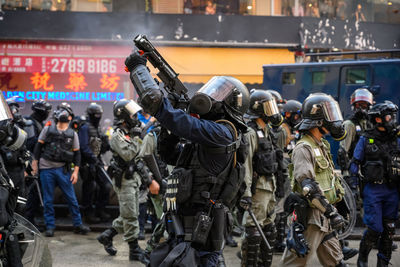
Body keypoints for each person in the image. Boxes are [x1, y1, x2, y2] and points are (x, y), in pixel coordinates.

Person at [124, 51, 249, 266]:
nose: (210, 97)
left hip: (201, 233)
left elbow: (174, 118)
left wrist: (139, 69)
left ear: (230, 106)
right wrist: (171, 121)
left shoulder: (223, 133)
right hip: (185, 229)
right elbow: (171, 155)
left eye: (219, 94)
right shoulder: (209, 135)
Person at [279, 93, 347, 267]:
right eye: (329, 115)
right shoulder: (304, 147)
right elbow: (307, 186)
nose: (334, 120)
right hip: (311, 217)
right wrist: (331, 212)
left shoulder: (320, 144)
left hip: (325, 215)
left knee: (336, 261)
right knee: (294, 263)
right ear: (319, 120)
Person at [96, 99, 159, 265]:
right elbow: (130, 154)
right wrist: (138, 137)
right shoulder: (118, 135)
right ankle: (134, 250)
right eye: (132, 113)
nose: (136, 116)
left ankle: (107, 235)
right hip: (124, 180)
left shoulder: (130, 132)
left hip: (134, 178)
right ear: (123, 115)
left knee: (130, 213)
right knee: (130, 215)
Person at [350, 101, 400, 267]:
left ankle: (383, 263)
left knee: (389, 230)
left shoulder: (396, 139)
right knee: (375, 228)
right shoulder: (366, 139)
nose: (393, 119)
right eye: (389, 116)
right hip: (374, 190)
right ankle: (362, 258)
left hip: (392, 190)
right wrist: (353, 187)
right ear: (378, 120)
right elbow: (354, 164)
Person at [240, 89, 286, 267]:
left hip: (270, 187)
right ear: (259, 109)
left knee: (269, 231)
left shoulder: (266, 131)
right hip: (258, 189)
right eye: (268, 107)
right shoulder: (250, 133)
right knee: (253, 233)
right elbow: (246, 166)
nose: (272, 111)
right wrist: (246, 194)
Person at [32, 102, 90, 237]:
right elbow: (38, 147)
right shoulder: (48, 129)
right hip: (47, 169)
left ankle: (77, 224)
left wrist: (75, 172)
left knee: (72, 199)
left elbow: (77, 154)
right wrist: (35, 164)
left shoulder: (72, 134)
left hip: (63, 170)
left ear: (70, 117)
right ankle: (50, 226)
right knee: (47, 200)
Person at [78, 102, 111, 223]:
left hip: (97, 161)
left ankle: (100, 209)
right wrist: (92, 158)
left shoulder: (97, 128)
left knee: (106, 185)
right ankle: (87, 213)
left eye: (99, 114)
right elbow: (83, 146)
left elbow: (100, 147)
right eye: (95, 115)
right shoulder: (85, 127)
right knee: (89, 188)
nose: (98, 117)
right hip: (87, 163)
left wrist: (105, 143)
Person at [24, 99, 52, 226]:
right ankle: (28, 220)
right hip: (30, 161)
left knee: (36, 191)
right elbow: (30, 143)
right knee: (32, 192)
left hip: (37, 160)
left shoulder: (39, 123)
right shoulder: (30, 123)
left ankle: (32, 217)